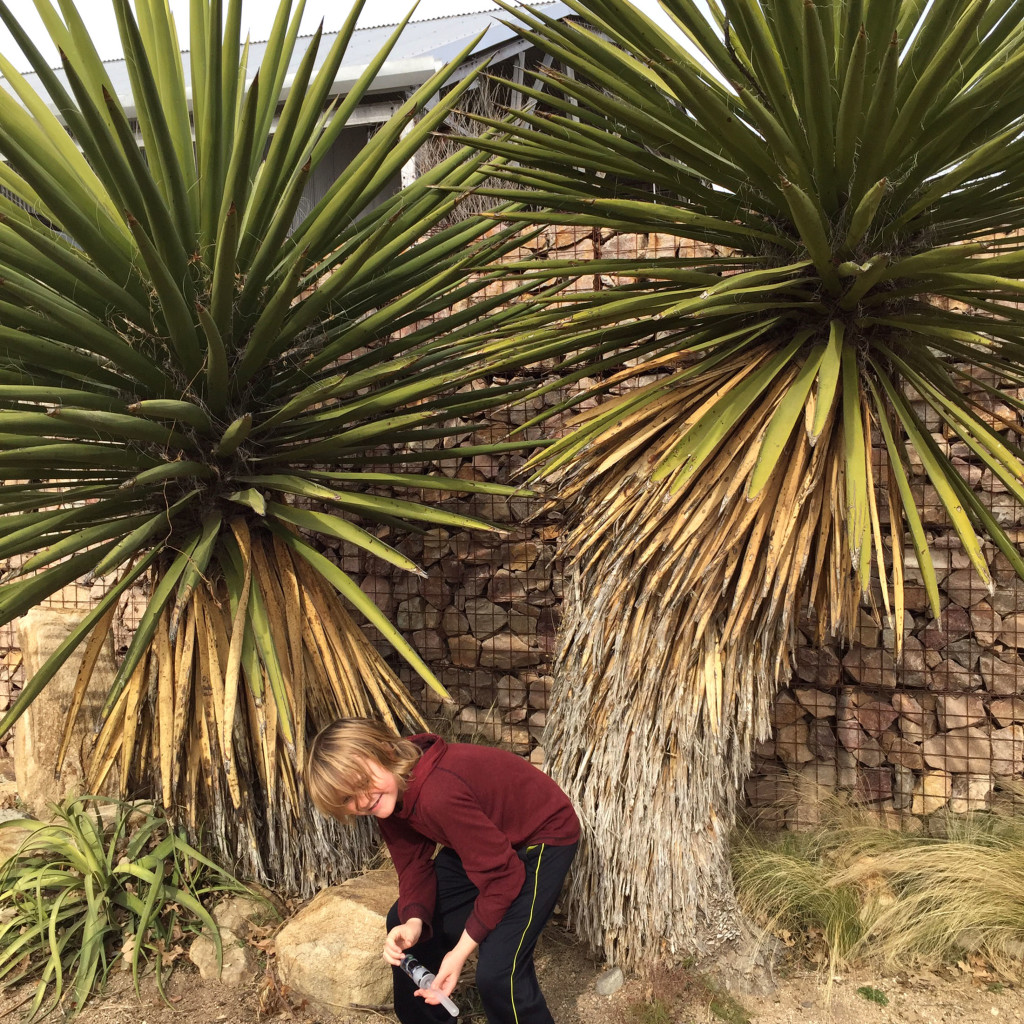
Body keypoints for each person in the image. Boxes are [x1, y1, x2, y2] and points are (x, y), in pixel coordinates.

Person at [305, 717, 580, 1023]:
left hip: (540, 836)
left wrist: (460, 953)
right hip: (486, 839)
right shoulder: (389, 793)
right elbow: (412, 866)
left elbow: (503, 878)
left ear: (384, 751)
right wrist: (413, 921)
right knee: (405, 921)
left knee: (499, 972)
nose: (362, 800)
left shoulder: (438, 793)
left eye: (361, 783)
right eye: (347, 799)